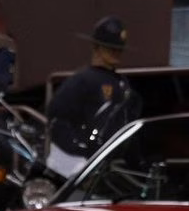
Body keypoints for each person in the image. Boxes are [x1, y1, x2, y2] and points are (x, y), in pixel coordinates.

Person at [47, 15, 138, 177]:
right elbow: (57, 118)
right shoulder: (81, 80)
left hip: (106, 164)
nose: (116, 53)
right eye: (110, 48)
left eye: (118, 49)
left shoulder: (121, 83)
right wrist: (81, 149)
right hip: (76, 165)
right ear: (96, 47)